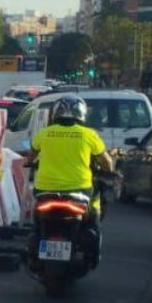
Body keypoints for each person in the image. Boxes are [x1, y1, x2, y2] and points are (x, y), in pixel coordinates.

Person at [25, 95, 115, 264]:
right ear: (82, 114)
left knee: (37, 220)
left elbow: (30, 158)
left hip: (45, 190)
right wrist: (109, 171)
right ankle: (92, 237)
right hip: (80, 190)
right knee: (95, 203)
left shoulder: (43, 133)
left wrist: (30, 162)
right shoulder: (89, 135)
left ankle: (36, 239)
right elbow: (106, 163)